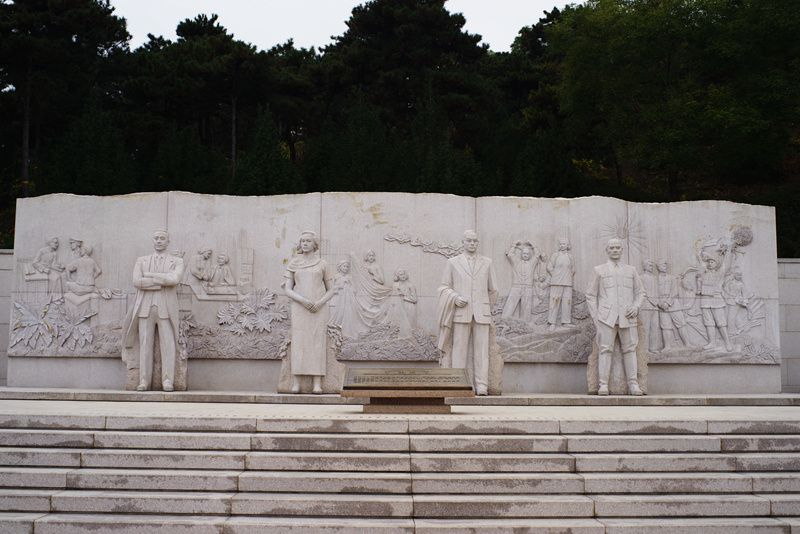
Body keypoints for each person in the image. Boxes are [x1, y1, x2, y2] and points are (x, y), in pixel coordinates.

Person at [436, 230, 499, 395]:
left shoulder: (487, 262)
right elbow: (443, 287)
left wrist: (484, 306)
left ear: (478, 243)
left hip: (482, 313)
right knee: (459, 349)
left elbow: (494, 290)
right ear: (462, 242)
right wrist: (455, 298)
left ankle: (482, 385)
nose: (472, 243)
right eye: (469, 240)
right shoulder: (452, 262)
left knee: (482, 350)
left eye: (475, 241)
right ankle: (458, 383)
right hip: (461, 312)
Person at [123, 230, 184, 392]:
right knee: (145, 345)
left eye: (162, 238)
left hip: (166, 310)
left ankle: (168, 381)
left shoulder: (177, 261)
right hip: (145, 309)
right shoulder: (141, 260)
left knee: (168, 345)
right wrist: (160, 282)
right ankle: (144, 381)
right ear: (152, 240)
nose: (159, 241)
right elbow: (137, 281)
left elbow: (174, 279)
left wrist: (149, 276)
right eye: (156, 238)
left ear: (168, 242)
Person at [585, 238, 646, 396]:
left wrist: (636, 306)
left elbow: (640, 292)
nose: (614, 250)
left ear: (622, 250)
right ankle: (603, 384)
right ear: (606, 251)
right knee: (605, 349)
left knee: (630, 349)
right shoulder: (599, 270)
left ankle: (633, 384)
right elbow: (590, 295)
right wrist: (596, 317)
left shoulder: (631, 270)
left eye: (617, 247)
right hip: (606, 318)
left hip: (627, 316)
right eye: (611, 248)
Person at [282, 231, 336, 394]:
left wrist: (319, 303)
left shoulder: (322, 264)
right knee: (299, 343)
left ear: (315, 244)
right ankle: (296, 382)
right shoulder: (294, 264)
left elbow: (331, 290)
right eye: (303, 241)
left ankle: (317, 383)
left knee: (317, 343)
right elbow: (288, 289)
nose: (305, 243)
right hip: (299, 307)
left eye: (308, 241)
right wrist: (303, 300)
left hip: (318, 309)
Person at [696, 241, 734, 351]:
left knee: (721, 323)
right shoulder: (704, 272)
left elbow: (726, 264)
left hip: (716, 299)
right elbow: (699, 259)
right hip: (705, 299)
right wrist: (701, 249)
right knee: (708, 323)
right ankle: (712, 343)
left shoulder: (720, 273)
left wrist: (728, 250)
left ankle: (727, 343)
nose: (709, 264)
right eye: (708, 262)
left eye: (712, 262)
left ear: (716, 264)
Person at [655, 260, 690, 350]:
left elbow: (675, 291)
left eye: (665, 266)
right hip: (662, 305)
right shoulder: (655, 279)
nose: (665, 267)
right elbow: (654, 291)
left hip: (673, 303)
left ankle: (687, 344)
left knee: (681, 324)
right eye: (663, 266)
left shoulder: (672, 278)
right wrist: (660, 303)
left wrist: (668, 302)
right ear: (658, 267)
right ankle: (667, 346)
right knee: (665, 326)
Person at [502, 240, 539, 322]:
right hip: (516, 286)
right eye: (524, 254)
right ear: (521, 254)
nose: (525, 255)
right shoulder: (516, 262)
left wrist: (533, 245)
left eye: (527, 254)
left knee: (526, 308)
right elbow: (510, 254)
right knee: (510, 305)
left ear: (529, 255)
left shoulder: (531, 263)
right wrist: (514, 245)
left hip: (528, 288)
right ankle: (503, 321)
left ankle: (525, 324)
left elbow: (537, 255)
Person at [546, 238, 576, 331]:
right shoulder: (555, 255)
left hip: (567, 282)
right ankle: (552, 322)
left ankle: (566, 321)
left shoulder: (570, 256)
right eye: (561, 244)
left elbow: (573, 268)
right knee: (554, 302)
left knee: (567, 302)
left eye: (564, 244)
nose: (562, 245)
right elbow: (549, 266)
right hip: (556, 282)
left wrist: (568, 276)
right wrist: (555, 275)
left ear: (567, 245)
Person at [639, 259, 660, 351]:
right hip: (646, 306)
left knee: (655, 327)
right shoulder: (641, 277)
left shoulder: (655, 278)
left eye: (652, 265)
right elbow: (643, 291)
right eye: (649, 265)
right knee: (645, 327)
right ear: (644, 267)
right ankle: (644, 348)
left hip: (655, 307)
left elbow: (658, 291)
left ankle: (653, 347)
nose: (651, 267)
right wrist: (655, 301)